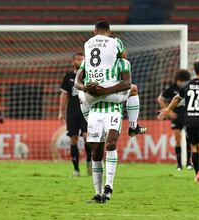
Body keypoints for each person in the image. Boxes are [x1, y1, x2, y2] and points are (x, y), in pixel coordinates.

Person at [76, 20, 146, 137]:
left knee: (80, 95)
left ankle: (90, 122)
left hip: (90, 93)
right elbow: (123, 58)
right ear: (109, 32)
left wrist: (85, 88)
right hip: (109, 92)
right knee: (133, 89)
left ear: (94, 32)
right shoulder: (115, 41)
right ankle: (133, 126)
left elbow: (80, 77)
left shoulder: (87, 43)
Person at [76, 57, 131, 203]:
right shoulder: (88, 62)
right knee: (96, 152)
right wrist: (85, 88)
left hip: (113, 110)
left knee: (111, 144)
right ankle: (98, 194)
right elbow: (77, 83)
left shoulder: (121, 63)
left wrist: (105, 90)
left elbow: (128, 84)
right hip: (95, 112)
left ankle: (109, 187)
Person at [158, 61, 199, 182]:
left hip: (190, 120)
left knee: (194, 148)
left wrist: (167, 110)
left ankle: (197, 174)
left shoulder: (186, 84)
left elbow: (176, 98)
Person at [59, 52, 92, 177]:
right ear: (73, 61)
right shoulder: (68, 76)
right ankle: (76, 169)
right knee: (73, 139)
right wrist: (61, 112)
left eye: (81, 59)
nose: (78, 61)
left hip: (86, 111)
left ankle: (89, 160)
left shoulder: (89, 75)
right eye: (76, 59)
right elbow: (64, 95)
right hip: (72, 112)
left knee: (87, 137)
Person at [157, 69, 193, 170]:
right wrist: (168, 111)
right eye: (183, 81)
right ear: (178, 80)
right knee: (178, 139)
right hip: (176, 117)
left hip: (188, 116)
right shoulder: (172, 88)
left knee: (189, 139)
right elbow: (160, 99)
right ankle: (179, 164)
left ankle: (189, 163)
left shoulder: (189, 88)